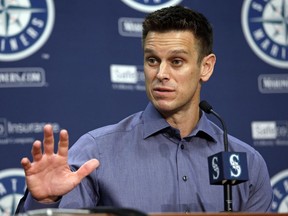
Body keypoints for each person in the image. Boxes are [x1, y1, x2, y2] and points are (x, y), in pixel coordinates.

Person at [16, 5, 273, 214]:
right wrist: (46, 202)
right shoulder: (95, 152)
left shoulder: (247, 162)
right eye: (152, 60)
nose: (161, 74)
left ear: (206, 67)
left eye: (176, 61)